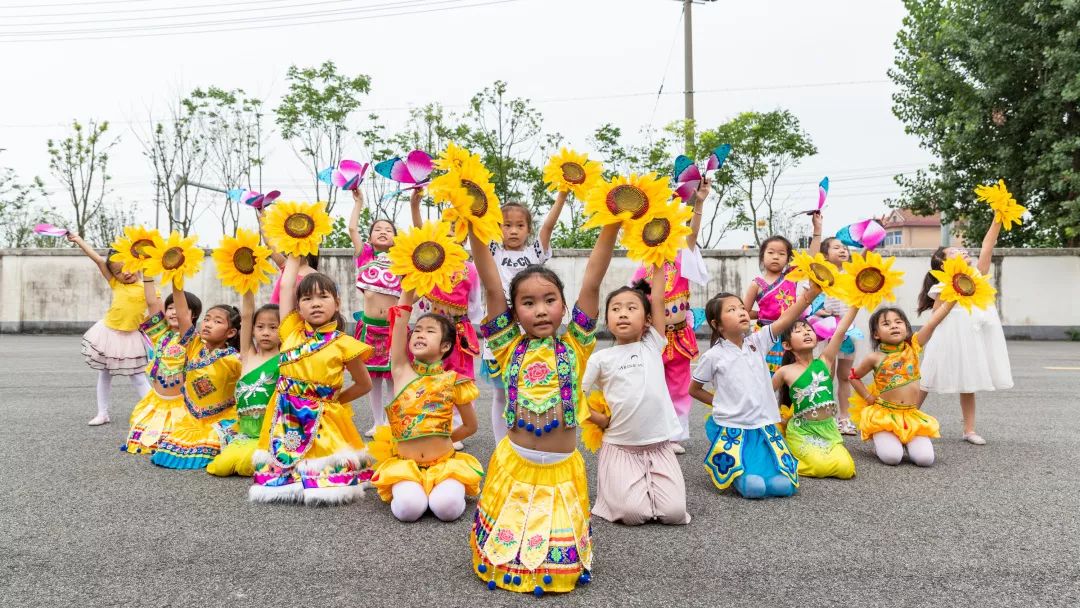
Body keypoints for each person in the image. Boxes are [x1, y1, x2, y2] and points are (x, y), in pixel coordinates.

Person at [469, 220, 617, 595]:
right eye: (528, 303)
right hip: (514, 465)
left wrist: (613, 220)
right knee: (504, 558)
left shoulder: (577, 344)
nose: (540, 310)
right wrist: (473, 222)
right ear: (514, 312)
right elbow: (490, 285)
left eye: (550, 300)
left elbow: (593, 281)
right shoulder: (505, 345)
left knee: (558, 565)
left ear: (564, 307)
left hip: (561, 472)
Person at [250, 256, 374, 505]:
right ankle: (288, 482)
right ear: (298, 307)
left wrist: (335, 401)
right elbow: (286, 286)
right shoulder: (290, 331)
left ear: (337, 303)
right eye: (307, 299)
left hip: (323, 417)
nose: (315, 304)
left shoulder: (343, 344)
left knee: (326, 481)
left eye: (323, 297)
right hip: (284, 414)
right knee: (280, 463)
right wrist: (296, 251)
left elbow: (365, 384)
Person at [689, 283, 821, 499]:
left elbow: (786, 319)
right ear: (717, 324)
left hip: (762, 424)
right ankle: (741, 475)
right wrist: (719, 402)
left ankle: (761, 471)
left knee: (783, 487)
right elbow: (694, 389)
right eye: (731, 310)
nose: (741, 312)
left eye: (742, 308)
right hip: (733, 427)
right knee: (754, 488)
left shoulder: (757, 342)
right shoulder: (713, 356)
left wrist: (810, 296)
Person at [583, 265, 690, 525]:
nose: (623, 314)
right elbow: (576, 394)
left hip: (659, 446)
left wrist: (657, 260)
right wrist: (598, 419)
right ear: (607, 319)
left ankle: (650, 486)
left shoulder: (653, 344)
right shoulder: (600, 358)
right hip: (620, 447)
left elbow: (660, 298)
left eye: (632, 308)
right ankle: (626, 490)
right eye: (616, 309)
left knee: (674, 514)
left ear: (648, 320)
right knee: (633, 515)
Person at [368, 289, 483, 522]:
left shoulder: (454, 381)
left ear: (445, 346)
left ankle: (440, 491)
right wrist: (409, 288)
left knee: (447, 509)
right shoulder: (401, 371)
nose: (420, 334)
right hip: (405, 465)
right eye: (417, 330)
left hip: (444, 464)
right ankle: (415, 491)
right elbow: (399, 323)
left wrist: (442, 438)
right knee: (409, 510)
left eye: (430, 331)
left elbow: (471, 426)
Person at [627, 179, 711, 452]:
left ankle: (675, 435)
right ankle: (654, 432)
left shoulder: (680, 255)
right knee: (653, 383)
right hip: (654, 335)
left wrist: (698, 202)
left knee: (679, 384)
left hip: (679, 335)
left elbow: (693, 235)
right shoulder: (642, 268)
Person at [917, 217, 1012, 445]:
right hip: (947, 336)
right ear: (942, 263)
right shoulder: (943, 285)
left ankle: (969, 430)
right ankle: (903, 417)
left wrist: (998, 219)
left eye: (961, 249)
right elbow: (937, 317)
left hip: (971, 336)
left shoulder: (977, 275)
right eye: (954, 252)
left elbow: (988, 245)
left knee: (968, 382)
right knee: (926, 379)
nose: (963, 251)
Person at [481, 193, 565, 441]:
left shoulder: (535, 252)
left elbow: (548, 225)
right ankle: (500, 444)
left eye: (520, 225)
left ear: (529, 229)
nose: (513, 231)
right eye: (507, 225)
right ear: (498, 228)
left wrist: (562, 195)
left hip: (529, 327)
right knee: (500, 394)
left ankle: (527, 438)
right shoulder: (492, 250)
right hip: (500, 327)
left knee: (527, 386)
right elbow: (478, 229)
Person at [848, 302, 956, 467]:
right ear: (876, 334)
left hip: (910, 415)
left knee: (925, 460)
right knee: (892, 458)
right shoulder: (874, 357)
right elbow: (853, 377)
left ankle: (904, 441)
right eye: (886, 324)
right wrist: (868, 397)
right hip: (884, 416)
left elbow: (932, 322)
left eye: (898, 322)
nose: (894, 326)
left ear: (906, 327)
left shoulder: (913, 346)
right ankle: (883, 444)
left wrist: (952, 300)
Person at [67, 234, 153, 426]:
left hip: (132, 336)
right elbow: (98, 259)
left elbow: (154, 312)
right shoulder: (117, 284)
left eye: (127, 267)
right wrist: (79, 240)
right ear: (113, 276)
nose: (125, 273)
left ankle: (154, 412)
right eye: (118, 272)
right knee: (104, 373)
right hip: (109, 333)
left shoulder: (148, 287)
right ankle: (102, 413)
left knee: (138, 376)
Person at [150, 294, 242, 471]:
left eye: (217, 322)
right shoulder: (194, 346)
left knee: (212, 445)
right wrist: (177, 277)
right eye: (206, 319)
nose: (208, 324)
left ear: (231, 332)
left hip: (221, 419)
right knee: (167, 452)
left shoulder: (234, 359)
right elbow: (183, 315)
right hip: (191, 420)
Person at [772, 307, 860, 479]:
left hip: (828, 429)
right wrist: (777, 419)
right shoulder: (785, 371)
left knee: (846, 468)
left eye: (808, 330)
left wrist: (857, 303)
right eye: (799, 331)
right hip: (802, 431)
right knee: (820, 467)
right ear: (787, 345)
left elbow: (841, 330)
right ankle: (785, 459)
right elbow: (764, 396)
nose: (806, 332)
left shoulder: (825, 360)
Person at [122, 281, 202, 455]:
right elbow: (151, 302)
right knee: (141, 439)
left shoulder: (191, 339)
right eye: (170, 308)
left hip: (181, 404)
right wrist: (147, 270)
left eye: (178, 308)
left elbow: (182, 317)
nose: (174, 312)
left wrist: (176, 277)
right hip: (156, 401)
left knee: (177, 443)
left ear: (193, 315)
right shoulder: (160, 334)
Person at [206, 296, 280, 477]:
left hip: (269, 435)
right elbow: (246, 315)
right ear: (252, 330)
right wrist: (247, 278)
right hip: (244, 433)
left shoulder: (284, 358)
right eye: (260, 327)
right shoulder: (247, 355)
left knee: (247, 465)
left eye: (273, 327)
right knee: (220, 467)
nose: (265, 333)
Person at [348, 188, 401, 436]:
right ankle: (378, 422)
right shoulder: (365, 255)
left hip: (393, 326)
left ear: (396, 238)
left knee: (393, 377)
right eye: (377, 229)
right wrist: (359, 202)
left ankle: (392, 422)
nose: (382, 231)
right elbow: (352, 230)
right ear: (370, 237)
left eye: (388, 229)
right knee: (374, 379)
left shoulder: (402, 259)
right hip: (369, 326)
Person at [815, 235, 861, 435]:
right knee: (827, 376)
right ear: (825, 254)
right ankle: (827, 417)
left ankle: (845, 418)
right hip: (826, 332)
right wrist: (819, 312)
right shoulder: (820, 277)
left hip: (849, 331)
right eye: (836, 247)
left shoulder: (852, 275)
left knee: (844, 376)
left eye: (844, 247)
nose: (843, 250)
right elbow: (810, 302)